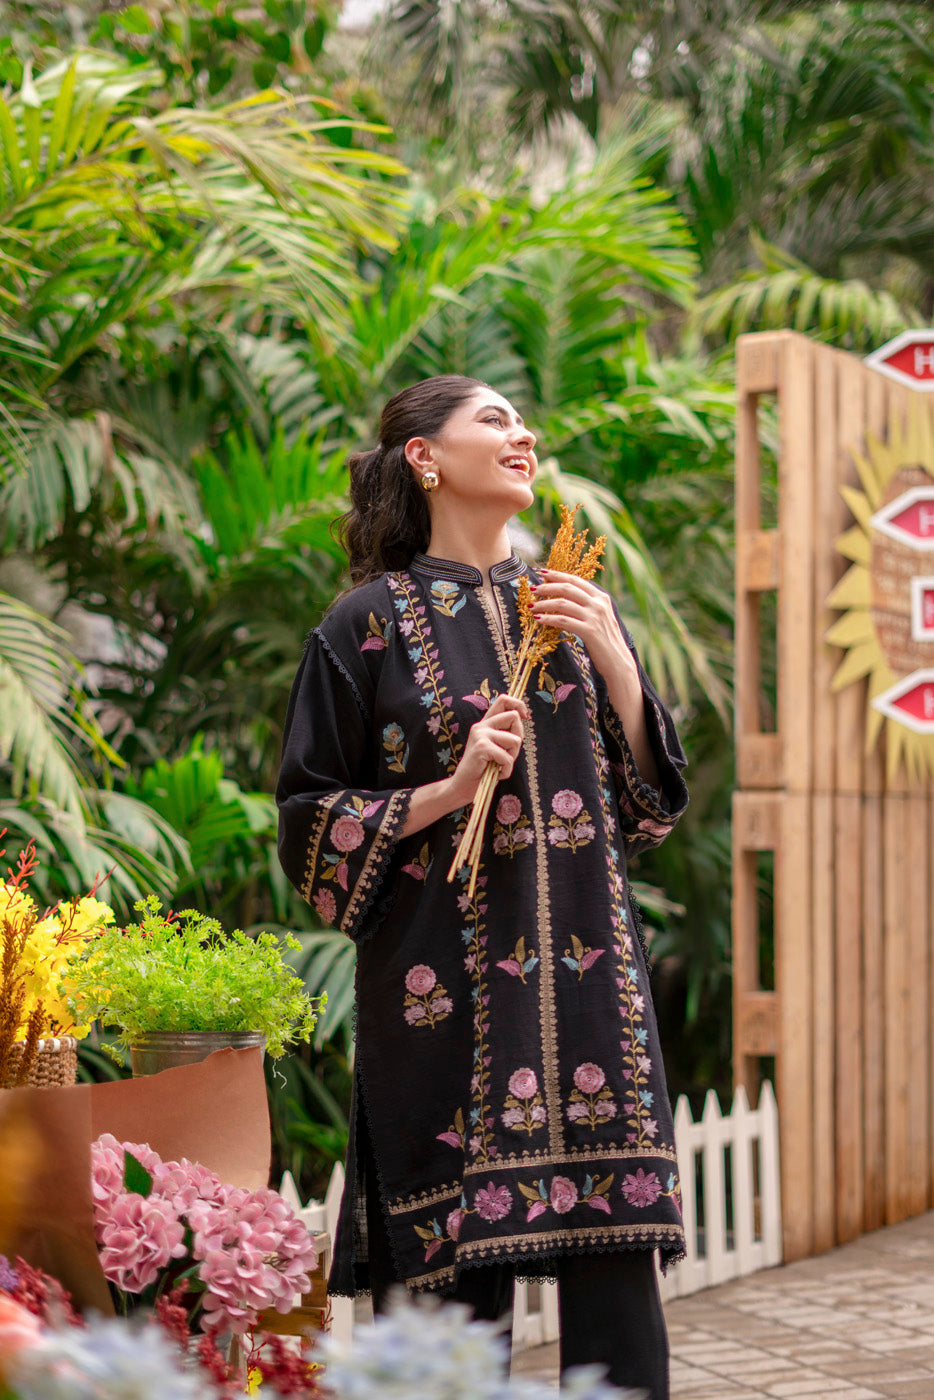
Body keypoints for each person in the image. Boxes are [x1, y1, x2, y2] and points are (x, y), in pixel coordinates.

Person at [276, 375, 689, 1399]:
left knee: (617, 1304)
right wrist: (450, 789)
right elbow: (309, 829)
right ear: (424, 456)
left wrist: (615, 660)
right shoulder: (363, 626)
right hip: (443, 1002)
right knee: (447, 1318)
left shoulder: (573, 605)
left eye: (523, 421)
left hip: (590, 1003)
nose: (525, 434)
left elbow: (648, 813)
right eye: (495, 419)